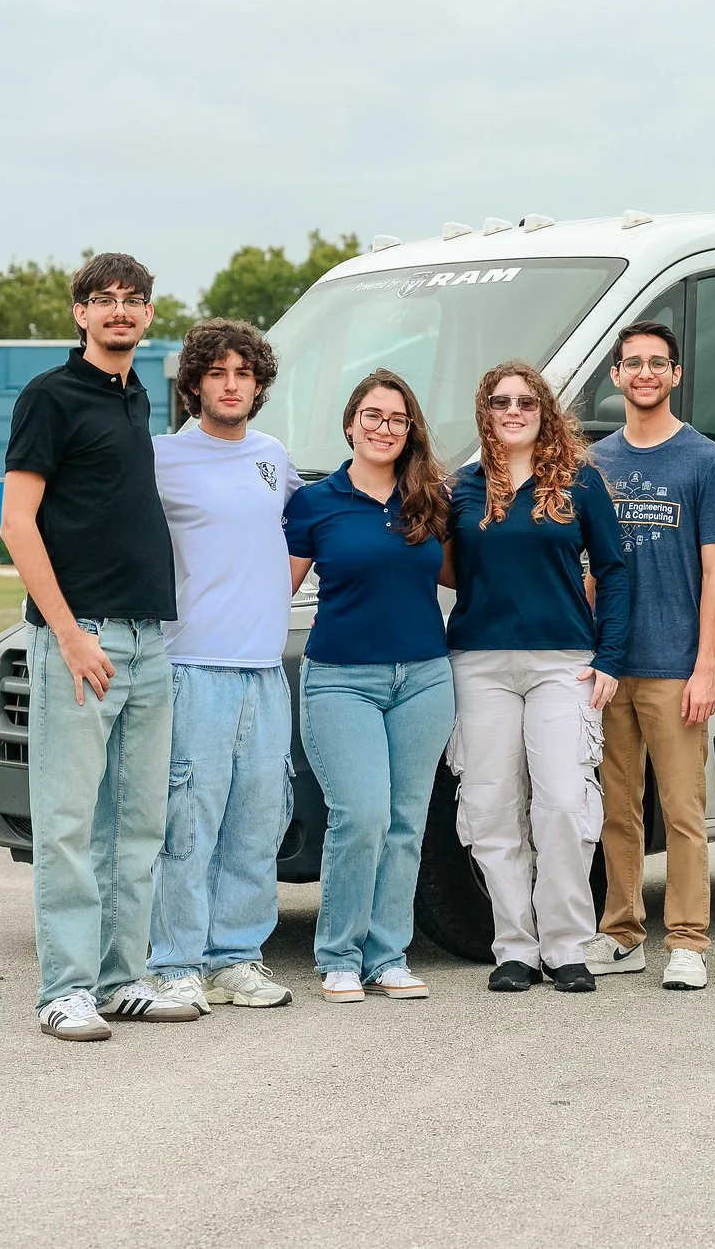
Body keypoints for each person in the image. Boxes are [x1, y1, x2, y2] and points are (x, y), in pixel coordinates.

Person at [0, 252, 200, 1041]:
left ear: (150, 315)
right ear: (79, 312)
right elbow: (18, 523)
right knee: (70, 823)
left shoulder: (134, 396)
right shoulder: (49, 397)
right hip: (81, 639)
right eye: (103, 300)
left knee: (137, 824)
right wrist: (69, 632)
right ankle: (65, 989)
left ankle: (122, 980)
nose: (119, 311)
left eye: (133, 300)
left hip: (148, 640)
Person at [443, 361, 631, 994]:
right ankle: (516, 948)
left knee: (565, 805)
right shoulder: (462, 490)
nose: (514, 410)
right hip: (480, 663)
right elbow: (438, 567)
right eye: (500, 402)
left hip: (563, 664)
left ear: (545, 410)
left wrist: (609, 658)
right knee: (491, 810)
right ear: (485, 413)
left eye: (526, 401)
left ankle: (567, 947)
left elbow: (616, 570)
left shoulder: (579, 484)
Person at [143, 319, 304, 1014]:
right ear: (194, 383)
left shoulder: (275, 457)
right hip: (192, 668)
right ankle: (173, 961)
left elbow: (301, 539)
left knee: (256, 819)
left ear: (259, 384)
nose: (231, 384)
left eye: (244, 373)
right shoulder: (161, 457)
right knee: (188, 823)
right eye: (217, 372)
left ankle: (234, 955)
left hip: (265, 670)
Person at [284, 370, 455, 1004]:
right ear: (352, 423)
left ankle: (388, 955)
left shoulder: (429, 501)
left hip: (424, 680)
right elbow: (275, 587)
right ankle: (339, 955)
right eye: (374, 416)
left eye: (398, 419)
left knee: (407, 821)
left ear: (409, 432)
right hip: (340, 681)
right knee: (361, 816)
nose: (385, 428)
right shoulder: (314, 503)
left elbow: (474, 575)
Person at [582, 321, 715, 991]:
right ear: (615, 376)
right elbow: (588, 567)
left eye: (657, 363)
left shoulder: (706, 461)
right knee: (616, 808)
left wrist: (706, 664)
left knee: (681, 811)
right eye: (632, 363)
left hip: (676, 665)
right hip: (610, 665)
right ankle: (621, 933)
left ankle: (688, 941)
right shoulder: (595, 463)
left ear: (675, 375)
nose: (644, 373)